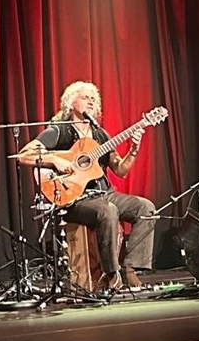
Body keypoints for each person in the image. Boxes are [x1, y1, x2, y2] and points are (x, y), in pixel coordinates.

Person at [17, 80, 157, 292]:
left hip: (105, 194)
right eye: (85, 97)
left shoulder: (100, 135)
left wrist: (134, 150)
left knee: (146, 208)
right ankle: (112, 274)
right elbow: (24, 155)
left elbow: (120, 169)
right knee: (107, 210)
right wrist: (55, 160)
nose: (91, 102)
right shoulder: (59, 132)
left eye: (94, 99)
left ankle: (130, 268)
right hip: (74, 200)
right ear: (71, 103)